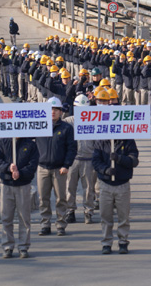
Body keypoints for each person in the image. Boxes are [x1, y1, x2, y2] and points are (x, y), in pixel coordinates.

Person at [92, 100, 140, 254]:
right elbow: (95, 161)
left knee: (123, 216)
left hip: (122, 184)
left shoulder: (128, 140)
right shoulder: (101, 140)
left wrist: (119, 159)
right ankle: (106, 242)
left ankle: (123, 241)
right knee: (105, 216)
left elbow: (134, 161)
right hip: (105, 184)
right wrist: (106, 170)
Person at [35, 97, 77, 236]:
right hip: (42, 168)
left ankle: (60, 224)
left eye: (56, 109)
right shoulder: (39, 125)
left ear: (60, 112)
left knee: (61, 198)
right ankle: (45, 224)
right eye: (50, 109)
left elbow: (72, 148)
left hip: (60, 169)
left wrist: (66, 165)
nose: (52, 112)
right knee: (43, 198)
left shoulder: (66, 128)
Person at [0, 137, 39, 259]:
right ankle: (7, 246)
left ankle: (23, 247)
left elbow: (33, 164)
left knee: (24, 218)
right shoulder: (2, 142)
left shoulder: (30, 144)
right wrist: (8, 167)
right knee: (6, 217)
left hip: (23, 185)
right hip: (6, 185)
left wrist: (21, 173)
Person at [64, 94, 98, 224]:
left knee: (89, 189)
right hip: (73, 160)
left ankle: (88, 212)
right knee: (70, 187)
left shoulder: (94, 120)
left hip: (89, 159)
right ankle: (70, 211)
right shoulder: (68, 121)